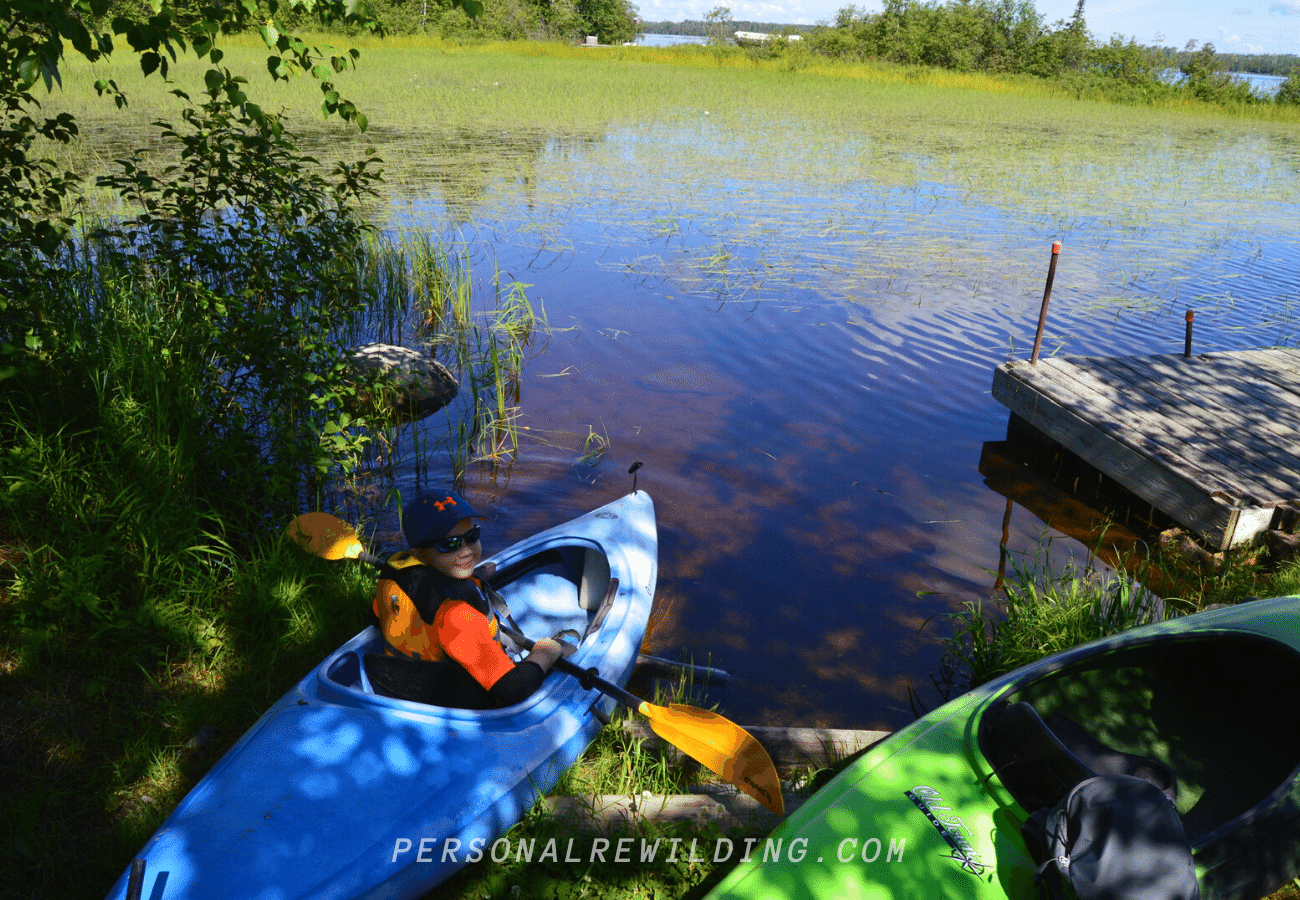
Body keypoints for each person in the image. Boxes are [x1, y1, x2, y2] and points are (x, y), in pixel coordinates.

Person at [367, 488, 573, 709]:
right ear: (419, 553)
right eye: (450, 545)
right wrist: (544, 654)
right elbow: (512, 689)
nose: (465, 551)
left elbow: (375, 614)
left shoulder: (396, 573)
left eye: (471, 536)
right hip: (455, 702)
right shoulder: (455, 614)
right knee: (548, 655)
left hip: (406, 681)